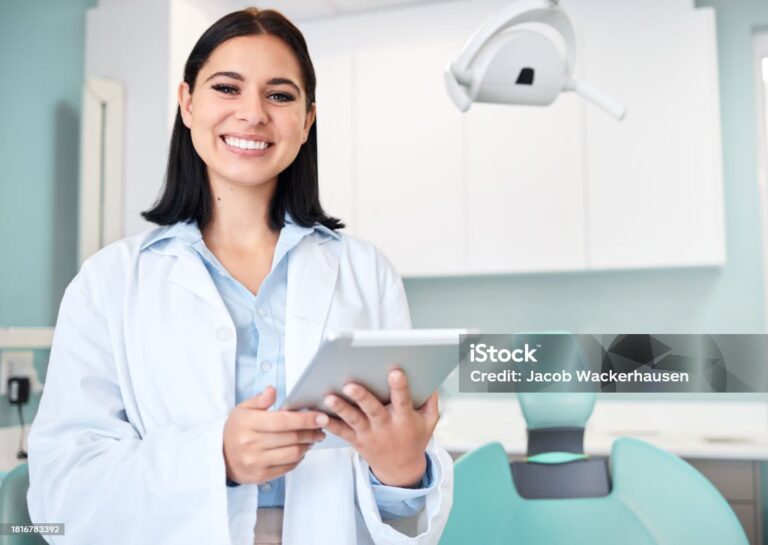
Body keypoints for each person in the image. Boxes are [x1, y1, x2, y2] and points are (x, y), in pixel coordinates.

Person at [26, 7, 453, 545]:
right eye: (227, 88)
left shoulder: (365, 273)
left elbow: (408, 503)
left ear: (307, 120)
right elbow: (58, 496)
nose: (252, 114)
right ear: (186, 102)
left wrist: (402, 470)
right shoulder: (108, 282)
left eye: (279, 95)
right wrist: (215, 459)